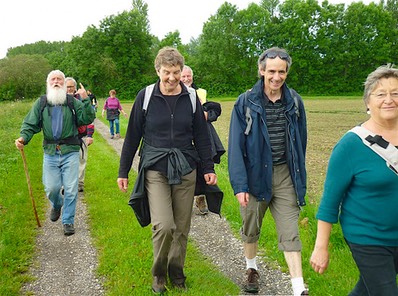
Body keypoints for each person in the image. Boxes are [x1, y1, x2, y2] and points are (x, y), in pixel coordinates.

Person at [117, 47, 217, 294]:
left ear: (182, 71)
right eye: (166, 73)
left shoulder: (192, 97)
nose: (172, 78)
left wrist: (208, 167)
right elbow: (132, 136)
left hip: (186, 166)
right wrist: (123, 170)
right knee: (164, 225)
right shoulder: (146, 95)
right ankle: (159, 275)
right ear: (157, 70)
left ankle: (177, 273)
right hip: (155, 167)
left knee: (182, 227)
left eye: (176, 72)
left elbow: (202, 136)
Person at [310, 64, 398, 295]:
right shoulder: (351, 145)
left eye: (395, 93)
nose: (389, 100)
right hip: (368, 237)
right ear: (368, 103)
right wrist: (321, 247)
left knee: (366, 290)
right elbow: (330, 201)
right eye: (381, 94)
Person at [228, 47, 308, 295]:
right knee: (251, 228)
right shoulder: (245, 102)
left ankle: (298, 288)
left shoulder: (294, 101)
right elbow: (235, 147)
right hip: (254, 177)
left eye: (281, 72)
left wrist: (298, 176)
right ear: (261, 71)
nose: (276, 77)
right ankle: (251, 268)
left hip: (284, 175)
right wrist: (240, 186)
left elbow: (301, 142)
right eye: (271, 71)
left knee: (290, 231)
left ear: (286, 72)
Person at [15, 70, 95, 236]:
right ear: (48, 83)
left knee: (71, 188)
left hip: (70, 150)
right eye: (53, 79)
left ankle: (68, 221)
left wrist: (86, 100)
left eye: (60, 79)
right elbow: (30, 123)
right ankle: (57, 204)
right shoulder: (42, 103)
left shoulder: (73, 102)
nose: (56, 82)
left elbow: (87, 119)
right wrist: (23, 138)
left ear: (65, 84)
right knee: (52, 188)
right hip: (51, 152)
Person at [181, 65, 225, 215]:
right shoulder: (173, 93)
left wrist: (207, 114)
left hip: (201, 136)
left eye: (188, 76)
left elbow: (212, 109)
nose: (186, 79)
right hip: (183, 137)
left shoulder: (200, 93)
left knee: (203, 165)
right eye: (183, 76)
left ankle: (200, 198)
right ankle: (182, 201)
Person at [65, 77, 95, 193]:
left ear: (75, 87)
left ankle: (79, 184)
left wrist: (90, 135)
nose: (69, 89)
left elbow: (90, 118)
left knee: (81, 160)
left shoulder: (82, 100)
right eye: (67, 87)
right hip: (66, 138)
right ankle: (66, 184)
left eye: (71, 86)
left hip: (81, 136)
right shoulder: (60, 101)